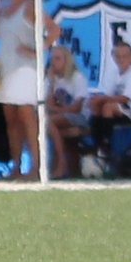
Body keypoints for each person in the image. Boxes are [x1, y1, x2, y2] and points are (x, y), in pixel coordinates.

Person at [0, 0, 59, 180]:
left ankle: (36, 167)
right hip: (6, 67)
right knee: (11, 120)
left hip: (25, 68)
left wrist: (38, 50)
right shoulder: (4, 10)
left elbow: (54, 29)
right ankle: (16, 166)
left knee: (27, 116)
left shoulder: (29, 6)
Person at [87, 40, 131, 162]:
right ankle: (97, 144)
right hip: (123, 110)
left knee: (108, 107)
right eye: (118, 56)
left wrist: (102, 99)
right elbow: (108, 94)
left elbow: (125, 98)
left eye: (124, 56)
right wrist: (96, 100)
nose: (121, 59)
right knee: (97, 106)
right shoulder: (114, 74)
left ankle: (106, 146)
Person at [45, 45, 89, 179]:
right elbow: (48, 105)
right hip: (59, 118)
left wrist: (56, 110)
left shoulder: (77, 78)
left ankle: (62, 164)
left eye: (57, 59)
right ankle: (56, 166)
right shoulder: (51, 80)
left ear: (67, 60)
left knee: (48, 122)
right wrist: (52, 84)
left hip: (80, 117)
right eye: (52, 59)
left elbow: (77, 108)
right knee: (48, 124)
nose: (53, 62)